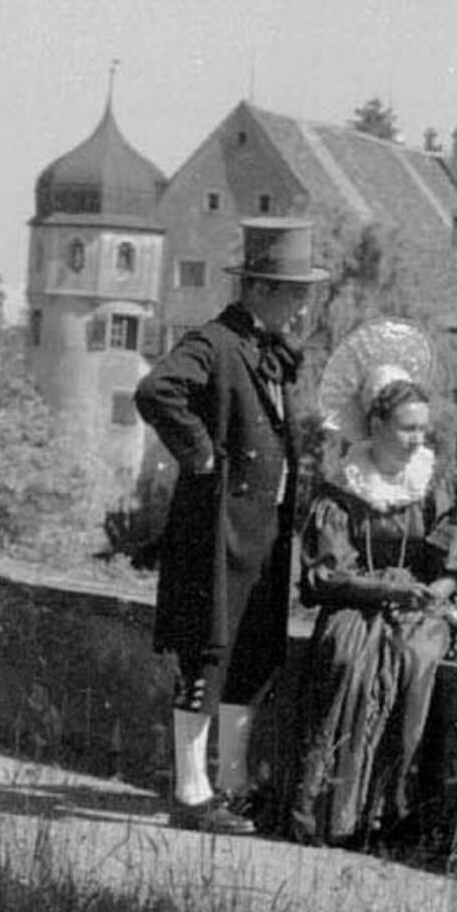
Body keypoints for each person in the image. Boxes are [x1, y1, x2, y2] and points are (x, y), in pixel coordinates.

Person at [131, 215, 326, 832]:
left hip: (262, 536)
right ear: (260, 288)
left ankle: (233, 786)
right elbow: (156, 390)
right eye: (294, 294)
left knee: (251, 657)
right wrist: (202, 455)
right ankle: (191, 794)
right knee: (207, 655)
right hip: (217, 533)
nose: (302, 308)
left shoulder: (267, 352)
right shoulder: (215, 342)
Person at [288, 370, 457, 849]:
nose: (417, 439)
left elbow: (452, 564)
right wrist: (386, 592)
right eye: (406, 428)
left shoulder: (440, 482)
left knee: (415, 658)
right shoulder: (343, 488)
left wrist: (433, 593)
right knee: (347, 659)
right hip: (355, 602)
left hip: (423, 604)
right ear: (376, 425)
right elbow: (328, 573)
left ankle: (393, 814)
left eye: (422, 429)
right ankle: (337, 813)